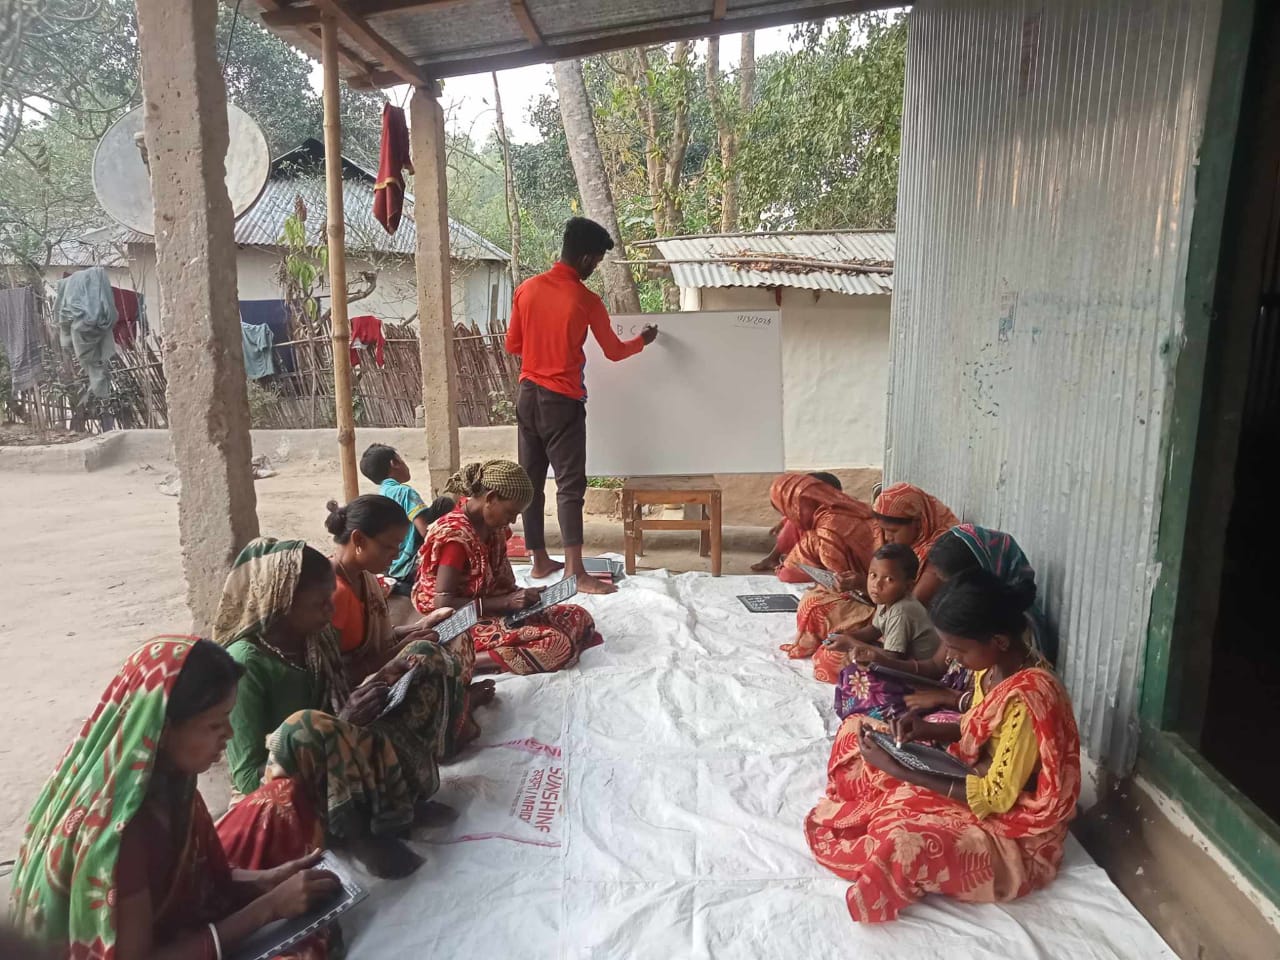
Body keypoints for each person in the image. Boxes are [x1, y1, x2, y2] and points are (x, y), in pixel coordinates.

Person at [9, 637, 344, 958]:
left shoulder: (170, 782)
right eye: (215, 725)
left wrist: (266, 881)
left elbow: (199, 879)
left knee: (282, 801)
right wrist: (266, 909)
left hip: (154, 928)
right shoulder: (124, 832)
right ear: (163, 730)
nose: (228, 735)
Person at [805, 570, 1081, 923]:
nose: (951, 658)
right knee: (856, 730)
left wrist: (904, 770)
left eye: (958, 649)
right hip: (975, 769)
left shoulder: (1027, 699)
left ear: (998, 640)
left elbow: (997, 796)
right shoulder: (993, 668)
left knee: (904, 841)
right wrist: (921, 729)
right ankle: (892, 785)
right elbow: (977, 724)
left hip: (1012, 824)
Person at [215, 537, 459, 878]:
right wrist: (339, 723)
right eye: (319, 605)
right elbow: (247, 775)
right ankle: (356, 833)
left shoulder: (316, 637)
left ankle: (400, 804)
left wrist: (386, 675)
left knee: (425, 657)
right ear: (280, 603)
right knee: (304, 726)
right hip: (284, 787)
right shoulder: (245, 665)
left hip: (333, 749)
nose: (330, 613)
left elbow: (338, 683)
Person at [505, 216, 658, 595]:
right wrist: (643, 340)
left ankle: (539, 561)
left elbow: (513, 345)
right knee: (570, 486)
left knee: (532, 481)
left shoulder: (527, 289)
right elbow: (615, 351)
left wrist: (542, 347)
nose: (595, 269)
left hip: (527, 396)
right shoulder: (585, 300)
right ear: (588, 258)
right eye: (598, 262)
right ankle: (576, 573)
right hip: (563, 401)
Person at [832, 523, 1052, 722]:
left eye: (950, 582)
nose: (942, 589)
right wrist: (879, 659)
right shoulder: (958, 620)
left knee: (883, 722)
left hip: (964, 713)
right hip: (944, 692)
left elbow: (995, 710)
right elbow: (936, 667)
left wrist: (948, 698)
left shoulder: (1011, 635)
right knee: (857, 677)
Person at [327, 494, 493, 748]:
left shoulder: (363, 577)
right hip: (354, 698)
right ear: (359, 540)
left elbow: (371, 638)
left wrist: (419, 626)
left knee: (448, 631)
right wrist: (397, 651)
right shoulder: (333, 593)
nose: (395, 557)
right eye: (389, 547)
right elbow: (337, 675)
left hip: (374, 670)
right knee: (425, 656)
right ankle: (452, 718)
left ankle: (454, 703)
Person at [414, 460, 603, 674]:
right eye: (510, 513)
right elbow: (443, 603)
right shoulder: (455, 538)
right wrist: (504, 602)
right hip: (455, 620)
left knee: (577, 615)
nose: (512, 521)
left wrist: (522, 598)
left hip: (491, 609)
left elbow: (501, 585)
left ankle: (496, 654)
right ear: (491, 498)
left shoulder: (492, 529)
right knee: (554, 644)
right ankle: (461, 662)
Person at [770, 473, 879, 682]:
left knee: (815, 606)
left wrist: (857, 585)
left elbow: (846, 584)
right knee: (817, 598)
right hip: (873, 591)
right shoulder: (840, 512)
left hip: (874, 600)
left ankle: (824, 638)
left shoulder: (830, 527)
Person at [823, 542, 939, 673]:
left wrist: (850, 643)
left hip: (917, 669)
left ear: (908, 586)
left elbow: (892, 658)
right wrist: (848, 636)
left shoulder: (902, 611)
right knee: (834, 655)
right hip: (899, 657)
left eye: (889, 579)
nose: (877, 584)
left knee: (851, 673)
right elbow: (875, 629)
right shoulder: (886, 598)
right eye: (873, 575)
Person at [359, 443, 454, 594]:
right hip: (409, 564)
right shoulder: (404, 492)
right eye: (401, 459)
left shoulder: (382, 493)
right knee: (445, 504)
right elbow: (426, 532)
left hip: (393, 565)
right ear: (394, 463)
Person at [871, 482, 960, 605]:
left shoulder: (942, 549)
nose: (887, 537)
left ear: (918, 523)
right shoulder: (909, 542)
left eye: (893, 531)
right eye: (883, 530)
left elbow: (914, 602)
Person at [751, 471, 844, 575]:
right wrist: (783, 522)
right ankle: (774, 558)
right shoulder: (812, 510)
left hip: (828, 559)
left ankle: (795, 562)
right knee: (793, 522)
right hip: (813, 548)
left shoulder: (836, 516)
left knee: (788, 573)